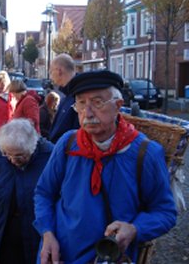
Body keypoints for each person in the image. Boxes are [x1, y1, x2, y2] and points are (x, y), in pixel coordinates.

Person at [34, 70, 177, 263]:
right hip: (59, 255)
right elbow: (43, 193)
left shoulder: (146, 153)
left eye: (98, 102)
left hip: (110, 257)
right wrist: (47, 233)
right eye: (81, 103)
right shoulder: (67, 144)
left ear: (118, 105)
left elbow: (165, 212)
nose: (88, 113)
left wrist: (135, 229)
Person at [0, 119, 54, 264]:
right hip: (4, 224)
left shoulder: (49, 156)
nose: (13, 160)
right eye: (8, 155)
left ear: (32, 147)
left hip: (37, 228)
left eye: (19, 156)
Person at [48, 53, 80, 143]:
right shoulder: (67, 96)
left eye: (51, 72)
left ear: (59, 71)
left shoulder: (79, 97)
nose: (50, 77)